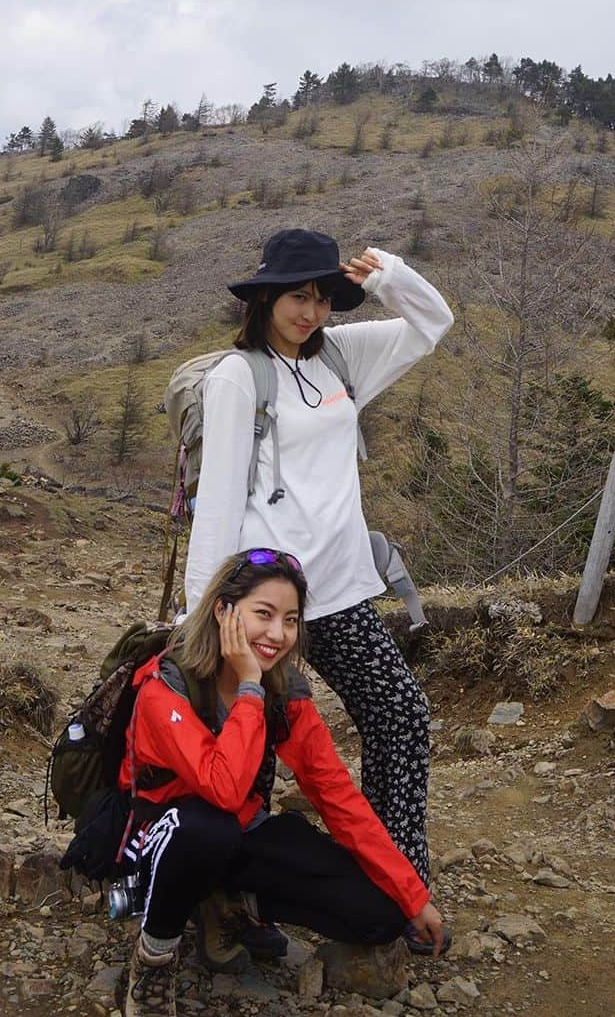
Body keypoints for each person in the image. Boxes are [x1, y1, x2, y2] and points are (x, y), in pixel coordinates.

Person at [183, 229, 453, 921]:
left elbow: (433, 323)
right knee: (253, 752)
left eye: (323, 296)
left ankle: (397, 884)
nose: (310, 311)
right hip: (264, 602)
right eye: (297, 295)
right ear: (266, 296)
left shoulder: (342, 357)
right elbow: (216, 501)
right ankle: (238, 902)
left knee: (400, 716)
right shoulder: (238, 377)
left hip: (335, 591)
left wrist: (387, 273)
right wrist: (203, 618)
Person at [118, 549, 446, 1017]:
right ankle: (153, 959)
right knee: (207, 828)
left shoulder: (284, 693)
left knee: (381, 913)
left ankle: (227, 903)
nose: (277, 635)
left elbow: (337, 797)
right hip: (164, 838)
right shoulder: (168, 685)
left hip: (239, 832)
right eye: (263, 614)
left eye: (290, 620)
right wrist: (250, 686)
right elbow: (223, 787)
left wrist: (412, 896)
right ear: (223, 611)